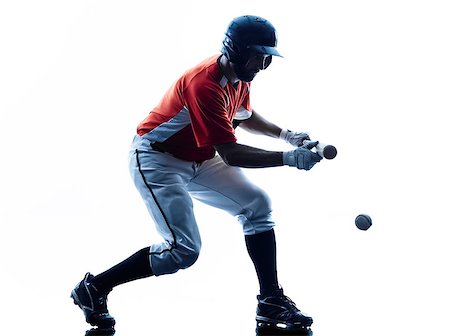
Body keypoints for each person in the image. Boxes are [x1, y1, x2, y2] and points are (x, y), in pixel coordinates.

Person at [71, 15, 322, 333]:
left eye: (267, 56)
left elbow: (242, 116)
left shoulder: (239, 77)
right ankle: (93, 288)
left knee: (257, 205)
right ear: (237, 50)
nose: (262, 63)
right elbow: (232, 154)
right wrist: (289, 159)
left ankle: (270, 300)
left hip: (198, 157)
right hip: (157, 160)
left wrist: (287, 135)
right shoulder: (204, 84)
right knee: (183, 251)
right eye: (257, 54)